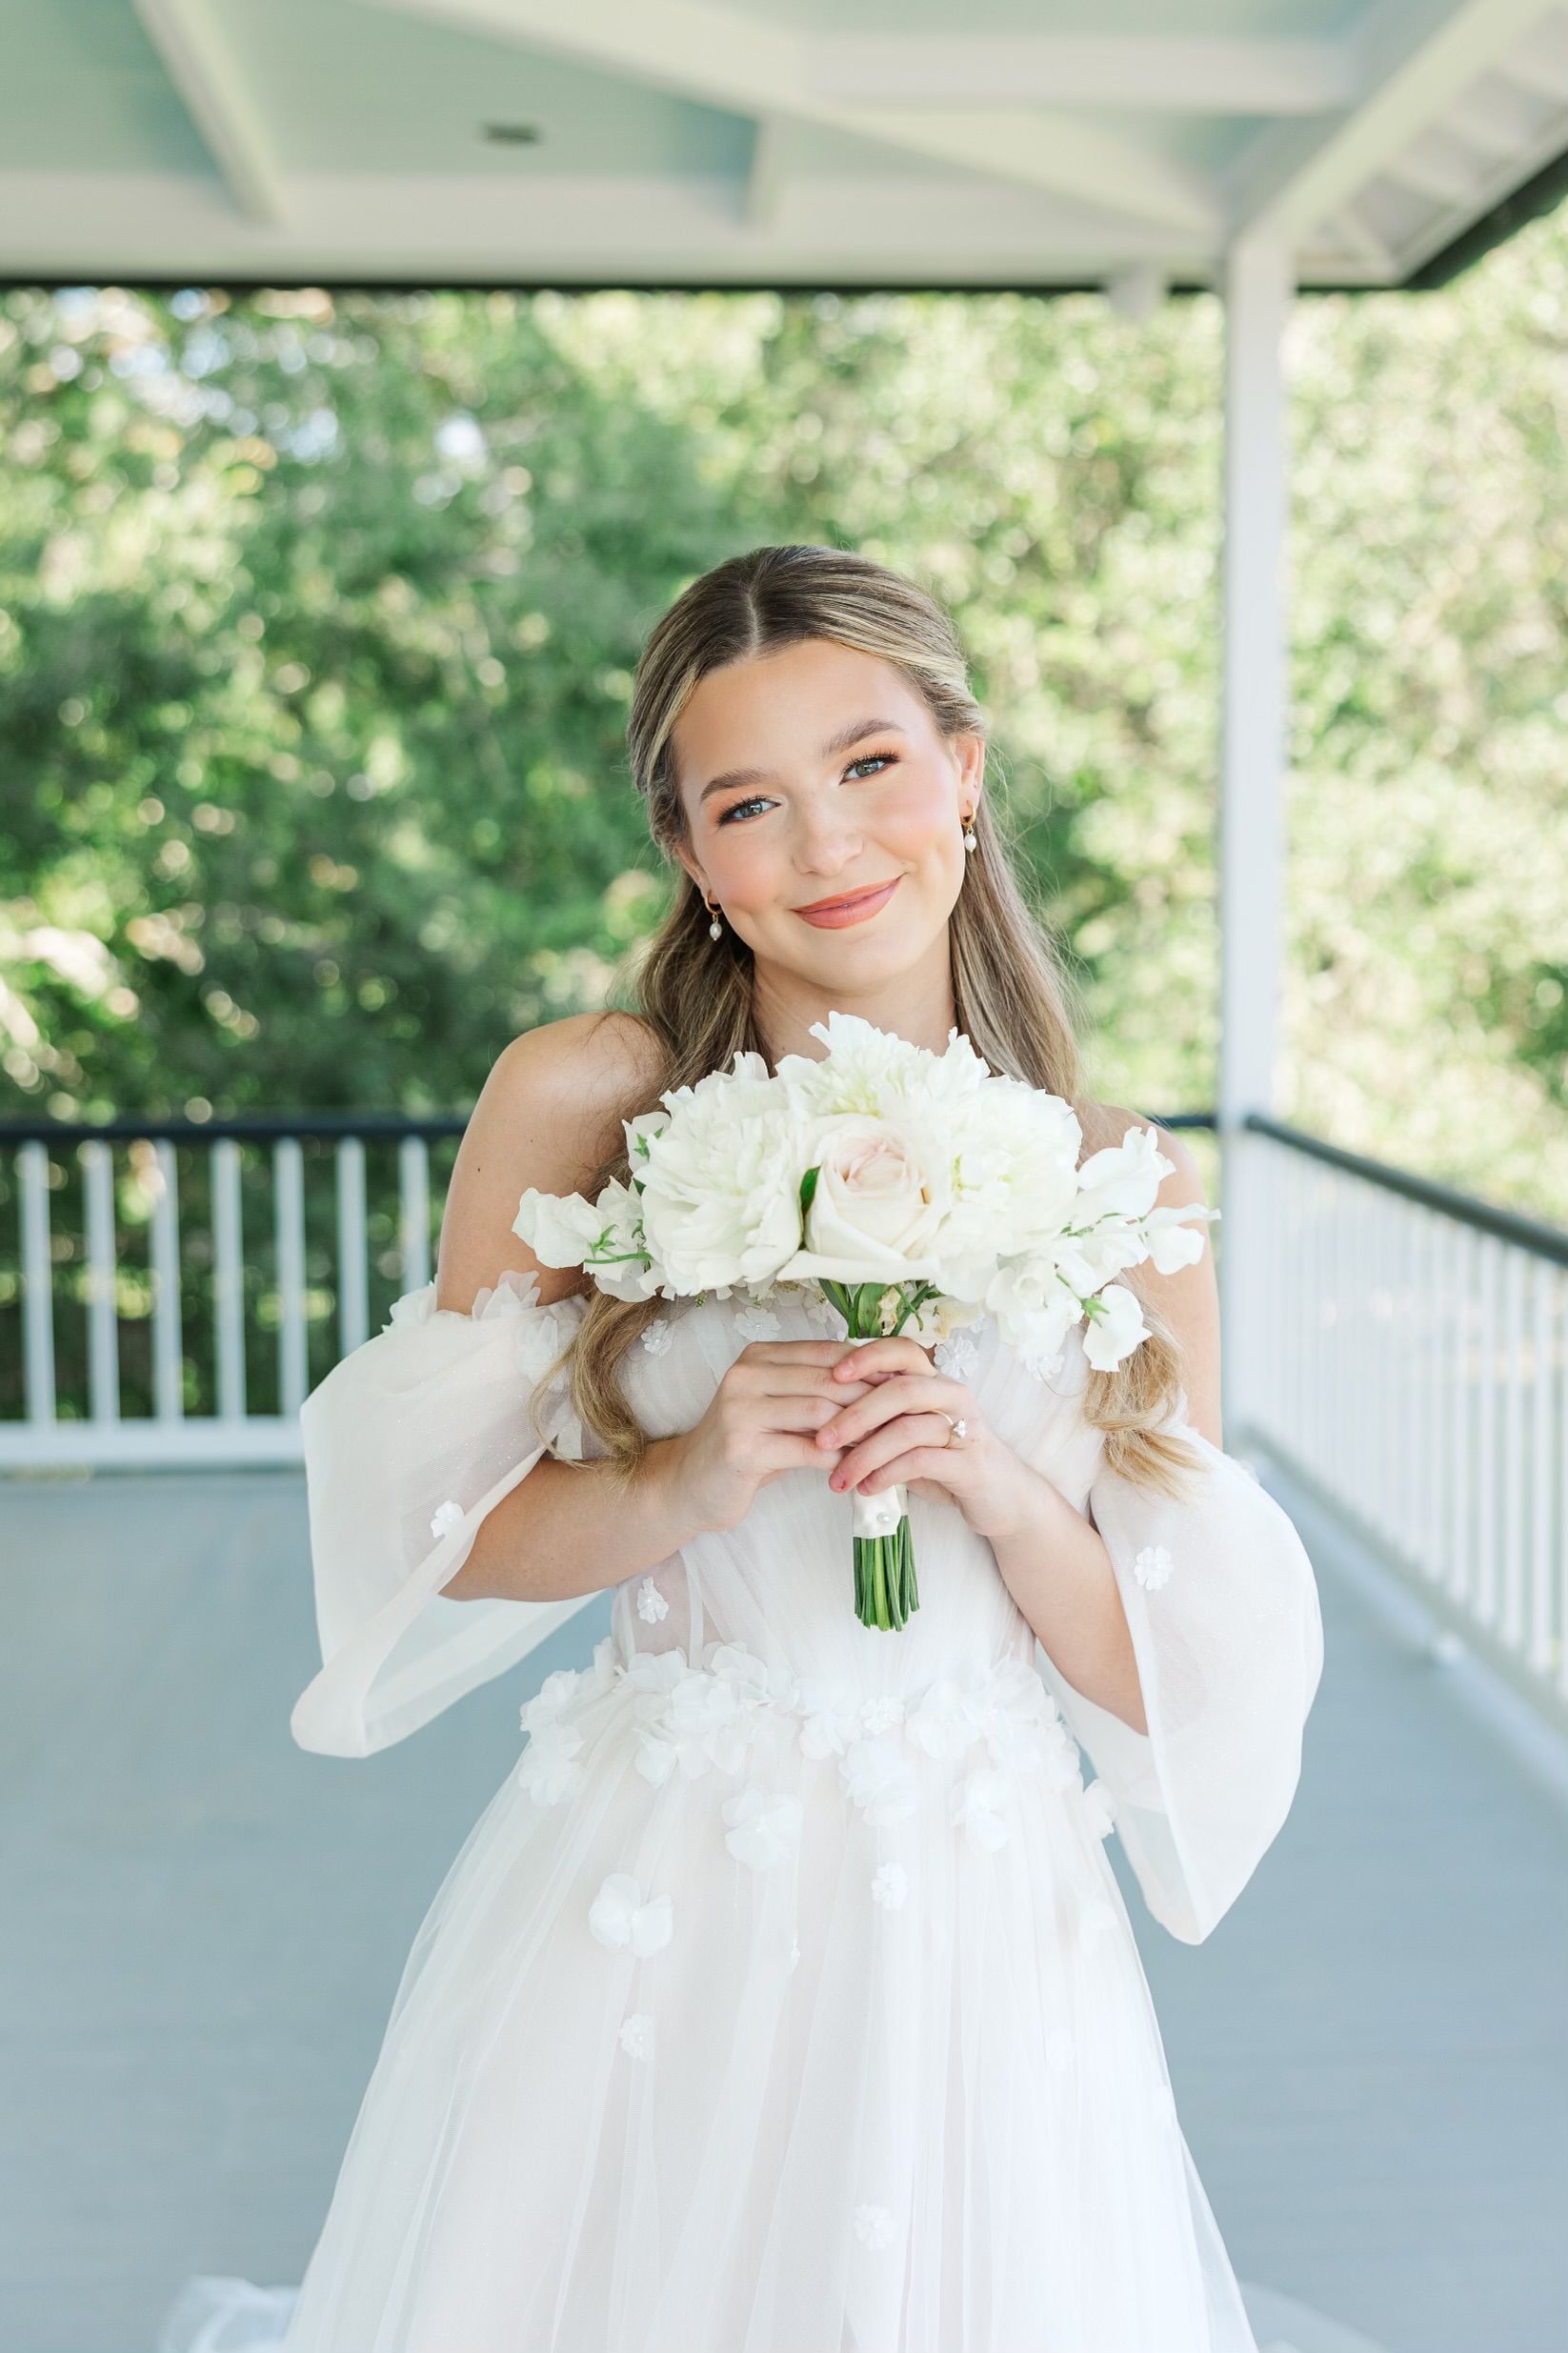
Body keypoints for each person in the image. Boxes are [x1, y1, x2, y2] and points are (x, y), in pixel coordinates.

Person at [159, 543, 1323, 2352]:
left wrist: (1001, 1491)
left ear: (962, 769)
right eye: (748, 803)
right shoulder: (586, 1101)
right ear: (690, 854)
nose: (826, 845)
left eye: (869, 766)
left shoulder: (1125, 1182)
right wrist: (677, 1479)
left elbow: (1170, 1670)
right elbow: (438, 1535)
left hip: (983, 1909)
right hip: (666, 1884)